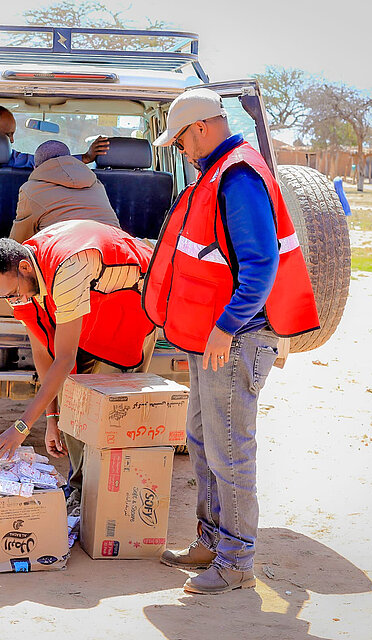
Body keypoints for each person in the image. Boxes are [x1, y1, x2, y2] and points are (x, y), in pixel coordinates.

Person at [143, 88, 319, 595]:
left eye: (179, 141)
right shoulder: (218, 172)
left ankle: (237, 560)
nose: (179, 151)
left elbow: (260, 264)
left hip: (233, 338)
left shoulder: (237, 176)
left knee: (229, 450)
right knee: (202, 442)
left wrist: (224, 326)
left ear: (200, 128)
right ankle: (212, 540)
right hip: (210, 340)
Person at [0, 221, 156, 493]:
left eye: (13, 293)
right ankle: (82, 495)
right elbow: (42, 351)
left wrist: (23, 426)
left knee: (99, 415)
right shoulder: (24, 275)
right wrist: (52, 417)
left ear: (24, 268)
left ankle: (103, 505)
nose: (14, 300)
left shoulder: (68, 268)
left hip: (132, 307)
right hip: (95, 309)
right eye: (5, 297)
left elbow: (65, 358)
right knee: (73, 405)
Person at [9, 140, 121, 243]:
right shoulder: (95, 183)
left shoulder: (30, 190)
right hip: (120, 249)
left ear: (35, 167)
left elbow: (19, 240)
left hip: (71, 257)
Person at [0, 104, 108, 168]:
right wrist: (85, 158)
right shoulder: (9, 160)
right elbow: (41, 163)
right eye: (8, 135)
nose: (12, 141)